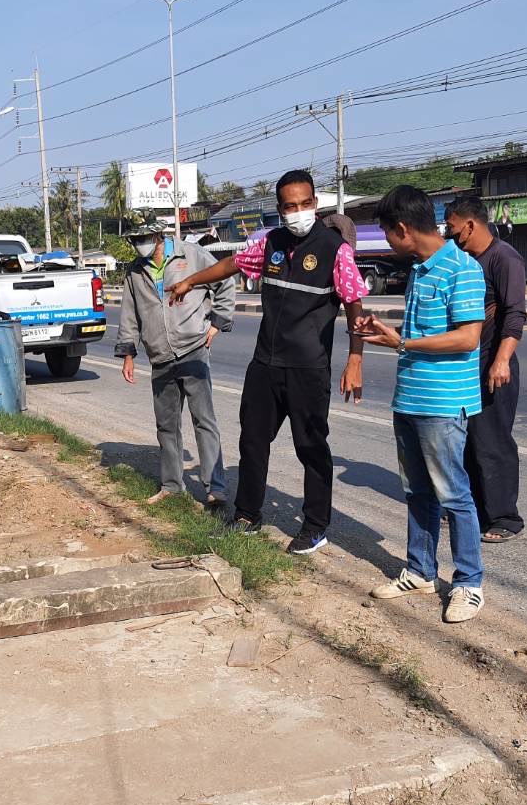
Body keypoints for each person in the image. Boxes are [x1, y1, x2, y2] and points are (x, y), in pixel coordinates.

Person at [166, 169, 367, 554]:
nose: (298, 212)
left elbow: (356, 308)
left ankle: (315, 525)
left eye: (305, 204)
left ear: (315, 204)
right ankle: (247, 515)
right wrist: (192, 281)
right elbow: (232, 265)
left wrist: (354, 360)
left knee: (311, 447)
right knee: (253, 441)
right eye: (290, 206)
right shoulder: (270, 243)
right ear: (280, 209)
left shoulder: (334, 250)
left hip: (308, 367)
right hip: (265, 364)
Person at [355, 185, 486, 624]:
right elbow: (417, 336)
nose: (388, 241)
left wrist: (403, 341)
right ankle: (420, 570)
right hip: (409, 398)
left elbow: (468, 337)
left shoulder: (461, 268)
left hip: (444, 402)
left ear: (403, 229)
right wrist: (387, 331)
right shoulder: (420, 269)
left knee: (454, 494)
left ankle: (469, 583)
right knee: (417, 491)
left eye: (388, 233)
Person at [114, 218, 235, 507]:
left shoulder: (191, 255)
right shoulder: (134, 271)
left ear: (157, 234)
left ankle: (215, 489)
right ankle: (171, 486)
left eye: (143, 237)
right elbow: (129, 314)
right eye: (134, 239)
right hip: (160, 356)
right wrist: (128, 354)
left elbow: (226, 283)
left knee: (203, 420)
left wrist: (217, 323)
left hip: (193, 349)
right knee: (166, 425)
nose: (138, 243)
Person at [444, 194, 526, 542]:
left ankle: (505, 518)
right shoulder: (465, 260)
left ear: (470, 225)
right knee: (467, 441)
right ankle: (474, 510)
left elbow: (515, 315)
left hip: (495, 365)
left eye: (451, 228)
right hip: (468, 366)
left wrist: (502, 360)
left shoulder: (503, 258)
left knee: (493, 441)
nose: (449, 235)